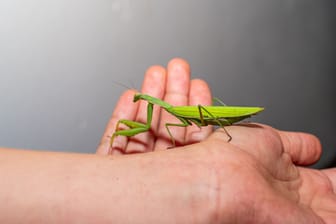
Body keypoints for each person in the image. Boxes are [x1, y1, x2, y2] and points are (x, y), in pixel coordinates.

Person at [0, 58, 335, 223]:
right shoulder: (166, 116)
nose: (142, 105)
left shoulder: (173, 114)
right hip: (205, 119)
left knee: (201, 114)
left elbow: (179, 125)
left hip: (218, 116)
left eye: (143, 103)